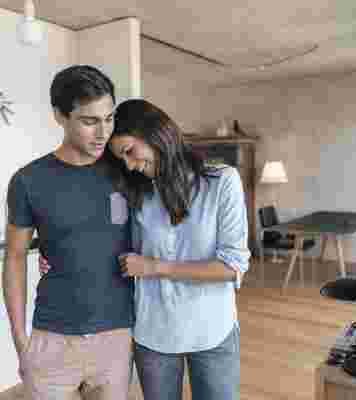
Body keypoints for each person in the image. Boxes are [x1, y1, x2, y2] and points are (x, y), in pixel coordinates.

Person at [40, 99, 251, 400]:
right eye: (121, 159)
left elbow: (232, 267)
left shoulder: (222, 182)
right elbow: (108, 243)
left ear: (154, 133)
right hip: (154, 332)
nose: (129, 164)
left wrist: (155, 267)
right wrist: (61, 257)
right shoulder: (136, 193)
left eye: (129, 151)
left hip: (212, 329)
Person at [2, 65, 135, 400]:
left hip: (117, 336)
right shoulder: (28, 181)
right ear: (60, 116)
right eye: (89, 121)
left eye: (109, 119)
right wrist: (20, 341)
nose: (102, 133)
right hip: (52, 338)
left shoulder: (128, 171)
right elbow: (15, 257)